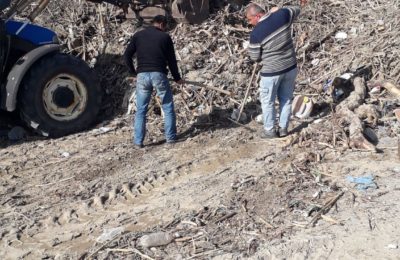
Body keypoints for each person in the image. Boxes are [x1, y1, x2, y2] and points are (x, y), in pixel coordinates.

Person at [246, 1, 306, 138]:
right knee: (286, 99)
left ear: (258, 16)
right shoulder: (283, 15)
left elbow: (254, 57)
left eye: (250, 19)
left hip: (271, 72)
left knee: (268, 102)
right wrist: (279, 10)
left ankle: (270, 130)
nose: (250, 23)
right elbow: (297, 9)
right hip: (290, 67)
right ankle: (283, 128)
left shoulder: (256, 33)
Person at [124, 15, 184, 148]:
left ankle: (138, 142)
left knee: (141, 110)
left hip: (142, 76)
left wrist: (133, 72)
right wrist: (177, 78)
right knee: (167, 106)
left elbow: (127, 55)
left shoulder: (138, 35)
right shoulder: (165, 37)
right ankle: (170, 138)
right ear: (162, 24)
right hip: (159, 74)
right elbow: (172, 61)